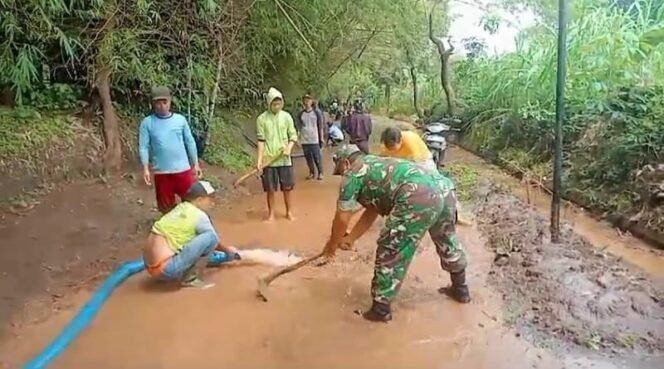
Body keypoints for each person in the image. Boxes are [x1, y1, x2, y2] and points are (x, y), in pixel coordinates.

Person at [320, 144, 471, 322]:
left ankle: (380, 309)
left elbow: (342, 218)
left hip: (417, 193)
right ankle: (460, 289)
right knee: (446, 238)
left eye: (340, 171)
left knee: (391, 248)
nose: (342, 176)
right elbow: (372, 209)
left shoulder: (354, 172)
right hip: (443, 187)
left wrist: (331, 246)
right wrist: (351, 238)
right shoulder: (377, 164)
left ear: (345, 163)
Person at [143, 180, 240, 289]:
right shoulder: (198, 215)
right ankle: (190, 279)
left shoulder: (180, 208)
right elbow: (214, 241)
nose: (213, 202)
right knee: (211, 237)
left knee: (195, 236)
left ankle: (172, 272)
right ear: (199, 200)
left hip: (150, 267)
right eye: (210, 199)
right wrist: (228, 251)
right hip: (166, 269)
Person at [380, 126, 470, 225]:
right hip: (402, 162)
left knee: (438, 184)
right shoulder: (386, 145)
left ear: (401, 140)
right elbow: (382, 162)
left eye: (394, 147)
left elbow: (414, 167)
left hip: (422, 160)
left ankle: (456, 212)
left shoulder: (410, 141)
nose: (391, 149)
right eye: (389, 147)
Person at [139, 86, 202, 213]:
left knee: (191, 204)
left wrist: (195, 164)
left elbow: (190, 141)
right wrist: (145, 168)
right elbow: (143, 146)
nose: (162, 106)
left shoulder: (180, 120)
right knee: (166, 208)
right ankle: (170, 231)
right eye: (158, 103)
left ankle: (190, 229)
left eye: (164, 102)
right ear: (153, 103)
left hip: (183, 170)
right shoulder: (147, 123)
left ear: (170, 101)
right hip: (162, 173)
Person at [256, 87, 298, 222]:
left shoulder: (286, 117)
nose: (277, 106)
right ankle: (271, 214)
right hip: (269, 159)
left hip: (284, 159)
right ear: (269, 103)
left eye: (279, 103)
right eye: (274, 104)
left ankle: (289, 212)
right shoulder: (261, 119)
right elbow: (261, 141)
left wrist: (289, 148)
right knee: (270, 189)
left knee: (287, 188)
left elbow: (293, 135)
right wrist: (259, 160)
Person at [297, 94, 325, 180]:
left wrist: (322, 137)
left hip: (314, 138)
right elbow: (299, 127)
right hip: (305, 138)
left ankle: (320, 172)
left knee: (317, 156)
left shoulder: (317, 113)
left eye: (308, 100)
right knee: (308, 157)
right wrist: (298, 139)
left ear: (312, 101)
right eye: (305, 100)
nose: (306, 102)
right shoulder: (301, 114)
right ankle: (312, 172)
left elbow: (320, 126)